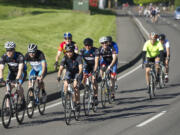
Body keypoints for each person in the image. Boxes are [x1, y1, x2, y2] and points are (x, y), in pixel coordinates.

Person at [0, 41, 26, 109]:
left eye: (10, 50)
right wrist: (1, 78)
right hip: (11, 72)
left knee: (18, 86)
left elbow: (20, 69)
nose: (8, 52)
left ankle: (23, 99)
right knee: (8, 90)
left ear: (14, 50)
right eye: (7, 50)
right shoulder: (4, 56)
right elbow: (1, 69)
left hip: (21, 72)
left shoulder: (19, 56)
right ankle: (8, 108)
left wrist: (17, 79)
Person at [57, 45, 83, 110]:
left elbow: (80, 68)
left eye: (70, 52)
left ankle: (77, 102)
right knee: (65, 84)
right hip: (69, 72)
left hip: (77, 72)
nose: (69, 53)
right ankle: (67, 98)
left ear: (73, 51)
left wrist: (78, 76)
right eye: (67, 52)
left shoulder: (78, 57)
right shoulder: (65, 57)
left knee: (75, 86)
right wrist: (58, 76)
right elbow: (60, 68)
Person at [80, 38, 99, 106]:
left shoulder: (95, 50)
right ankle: (86, 88)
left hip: (94, 66)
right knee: (83, 78)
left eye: (89, 45)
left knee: (94, 80)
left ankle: (96, 96)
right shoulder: (82, 50)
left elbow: (96, 62)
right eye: (86, 45)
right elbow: (79, 60)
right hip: (87, 66)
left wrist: (94, 71)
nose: (87, 47)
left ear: (92, 45)